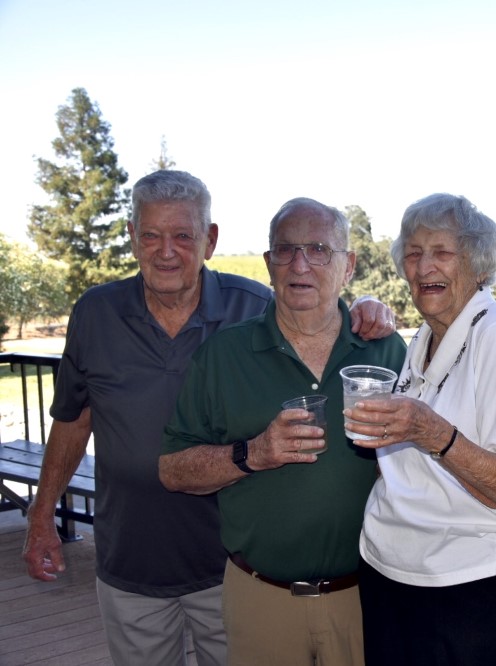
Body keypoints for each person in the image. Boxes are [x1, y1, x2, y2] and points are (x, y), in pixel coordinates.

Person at [21, 172, 395, 666]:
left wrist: (369, 310)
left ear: (210, 240)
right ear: (132, 236)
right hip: (134, 556)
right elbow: (73, 418)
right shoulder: (96, 313)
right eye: (151, 235)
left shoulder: (253, 303)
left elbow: (314, 308)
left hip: (228, 564)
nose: (166, 251)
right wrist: (42, 513)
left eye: (182, 236)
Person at [159, 196, 407, 665]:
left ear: (348, 265)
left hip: (367, 592)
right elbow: (173, 470)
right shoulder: (224, 355)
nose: (301, 264)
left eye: (319, 249)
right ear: (269, 263)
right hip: (261, 597)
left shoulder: (386, 351)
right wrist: (253, 452)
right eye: (285, 250)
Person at [344, 193, 496, 666]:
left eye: (442, 252)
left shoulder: (494, 335)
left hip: (465, 587)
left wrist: (434, 433)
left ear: (477, 265)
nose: (423, 265)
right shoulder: (426, 335)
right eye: (413, 254)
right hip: (392, 572)